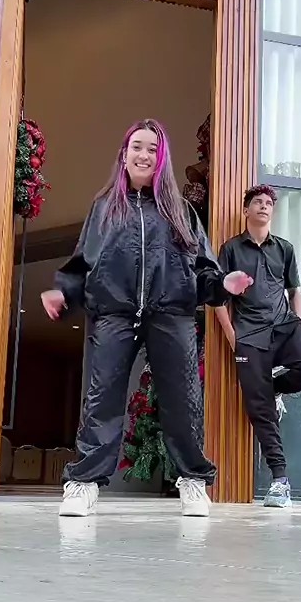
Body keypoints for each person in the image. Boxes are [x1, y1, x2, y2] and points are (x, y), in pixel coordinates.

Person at [41, 119, 252, 518]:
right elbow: (83, 263)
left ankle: (192, 481)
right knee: (102, 396)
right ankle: (84, 483)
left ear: (162, 159)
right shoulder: (104, 208)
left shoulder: (180, 211)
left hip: (171, 313)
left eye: (152, 149)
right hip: (114, 313)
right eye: (137, 147)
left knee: (183, 399)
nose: (144, 155)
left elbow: (202, 270)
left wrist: (224, 284)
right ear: (124, 155)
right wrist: (63, 292)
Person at [215, 185, 301, 509]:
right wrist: (233, 337)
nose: (264, 206)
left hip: (284, 328)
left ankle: (271, 388)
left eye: (268, 203)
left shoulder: (284, 248)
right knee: (260, 410)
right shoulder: (231, 249)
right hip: (249, 336)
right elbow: (217, 299)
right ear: (245, 210)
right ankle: (280, 480)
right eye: (257, 202)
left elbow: (294, 290)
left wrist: (298, 323)